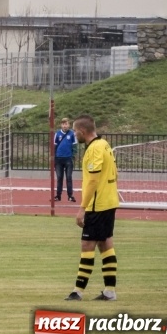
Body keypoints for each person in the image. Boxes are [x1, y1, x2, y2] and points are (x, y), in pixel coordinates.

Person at [64, 115, 120, 302]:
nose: (74, 135)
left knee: (87, 244)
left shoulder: (95, 149)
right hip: (109, 202)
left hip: (98, 205)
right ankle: (109, 291)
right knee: (105, 244)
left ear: (82, 131)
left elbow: (94, 180)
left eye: (74, 131)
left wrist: (82, 208)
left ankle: (78, 291)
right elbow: (115, 173)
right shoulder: (104, 144)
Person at [54, 117, 78, 202]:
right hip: (59, 159)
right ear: (61, 125)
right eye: (63, 124)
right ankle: (58, 195)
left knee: (69, 177)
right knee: (59, 177)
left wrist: (73, 155)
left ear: (69, 125)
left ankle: (70, 195)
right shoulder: (57, 134)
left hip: (68, 159)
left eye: (66, 124)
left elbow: (74, 146)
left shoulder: (72, 134)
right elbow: (55, 146)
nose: (65, 126)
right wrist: (54, 158)